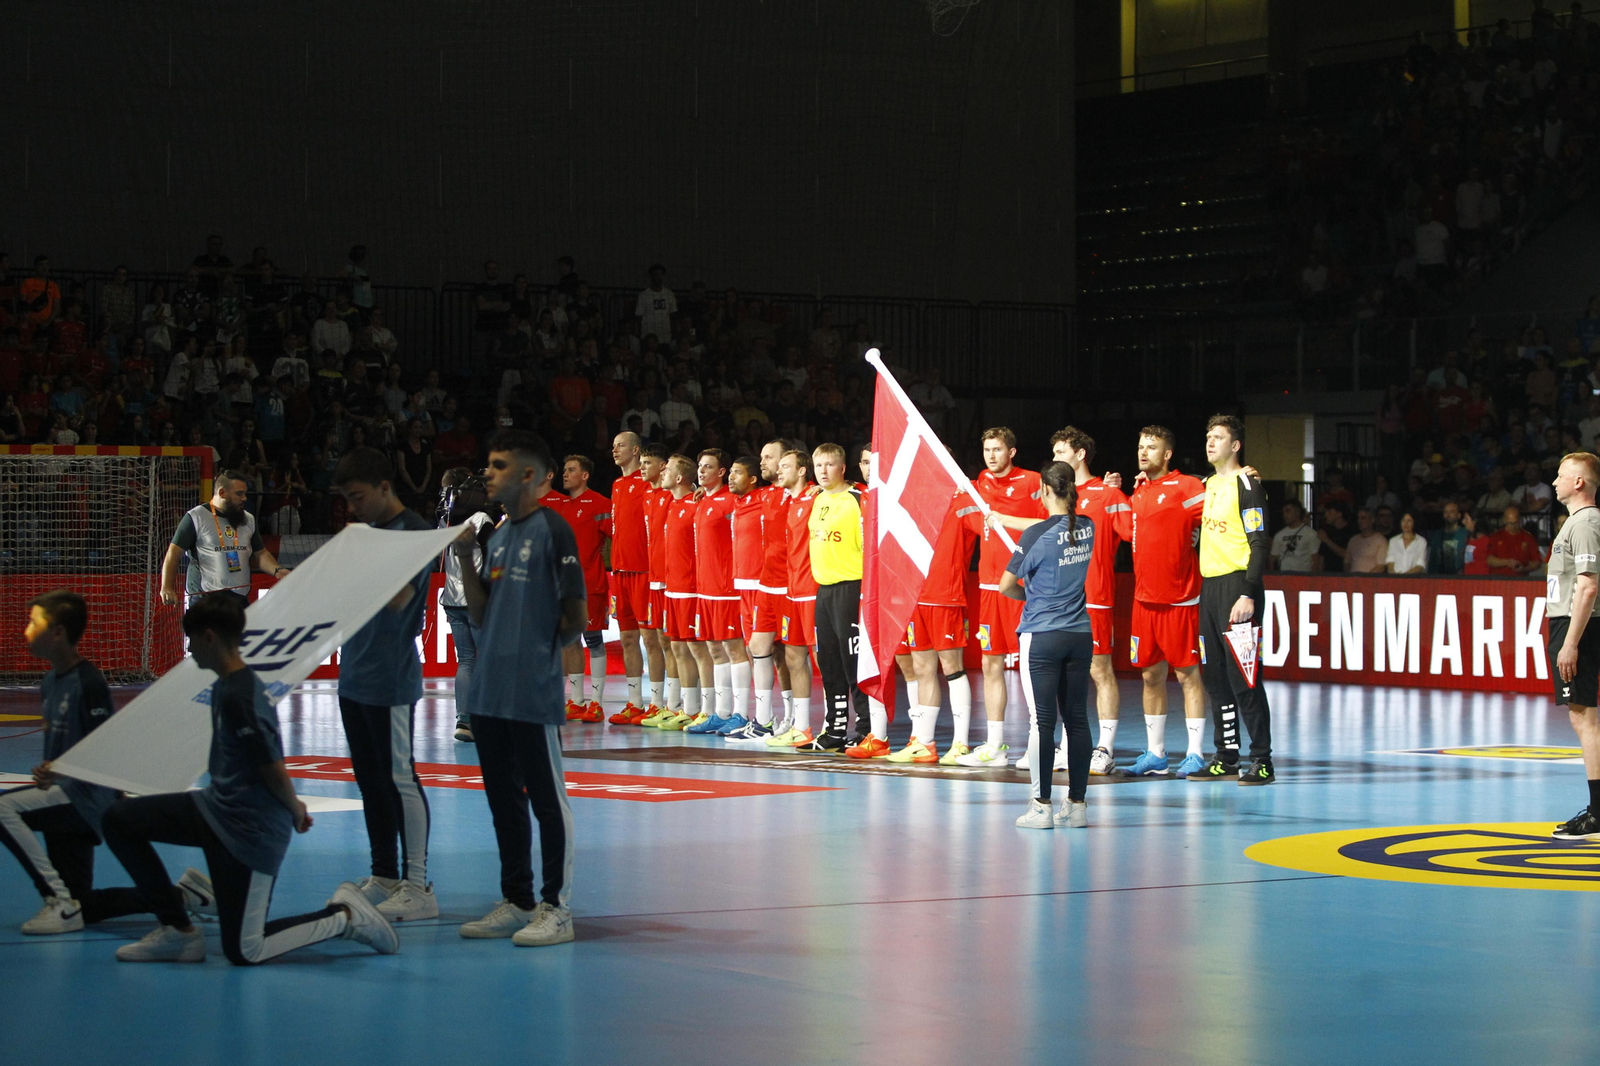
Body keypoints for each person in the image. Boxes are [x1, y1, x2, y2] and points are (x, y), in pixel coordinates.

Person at [100, 593, 398, 964]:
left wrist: (294, 808)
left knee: (244, 949)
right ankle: (178, 928)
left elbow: (270, 766)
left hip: (250, 830)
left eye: (191, 639)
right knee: (118, 820)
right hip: (215, 809)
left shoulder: (240, 694)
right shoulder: (225, 686)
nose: (189, 649)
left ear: (209, 637)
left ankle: (345, 917)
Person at [449, 431, 581, 946]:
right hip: (489, 692)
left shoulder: (553, 530)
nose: (488, 473)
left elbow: (575, 617)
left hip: (530, 691)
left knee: (548, 801)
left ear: (528, 475)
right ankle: (517, 898)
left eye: (498, 465)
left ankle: (557, 908)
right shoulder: (499, 535)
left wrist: (536, 660)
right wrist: (464, 557)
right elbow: (480, 613)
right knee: (504, 799)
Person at [0, 592, 151, 934]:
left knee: (2, 810)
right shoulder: (51, 683)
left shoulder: (89, 682)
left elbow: (105, 746)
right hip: (62, 800)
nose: (26, 630)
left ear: (58, 633)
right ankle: (183, 896)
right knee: (86, 904)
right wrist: (48, 768)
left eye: (34, 622)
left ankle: (57, 901)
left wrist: (109, 800)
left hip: (84, 798)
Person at [332, 448, 438, 922]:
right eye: (347, 500)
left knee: (399, 777)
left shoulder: (414, 531)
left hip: (390, 673)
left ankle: (418, 885)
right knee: (369, 779)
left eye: (358, 497)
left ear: (383, 487)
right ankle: (385, 874)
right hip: (354, 668)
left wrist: (358, 559)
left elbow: (399, 600)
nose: (353, 508)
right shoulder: (365, 533)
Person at [986, 427, 1129, 774]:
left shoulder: (1108, 495)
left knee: (1101, 670)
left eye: (1062, 452)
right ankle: (1063, 749)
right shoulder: (1059, 499)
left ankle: (1104, 748)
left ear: (1080, 455)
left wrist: (1128, 492)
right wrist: (1005, 518)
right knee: (1068, 684)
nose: (1055, 459)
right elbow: (1046, 524)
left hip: (1094, 599)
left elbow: (1133, 530)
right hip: (1066, 604)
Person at [1004, 462, 1095, 829]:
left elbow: (1006, 585)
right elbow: (1054, 528)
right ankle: (1077, 806)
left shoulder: (1034, 537)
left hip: (1042, 635)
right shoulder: (1087, 527)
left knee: (1041, 722)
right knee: (1076, 718)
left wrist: (1034, 598)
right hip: (1079, 635)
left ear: (1043, 489)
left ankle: (1041, 807)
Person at [1190, 416, 1274, 784]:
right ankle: (1226, 756)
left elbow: (1259, 543)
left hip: (1238, 588)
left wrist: (1248, 592)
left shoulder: (1248, 484)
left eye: (1218, 437)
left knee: (1245, 678)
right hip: (1209, 590)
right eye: (1208, 436)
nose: (1210, 442)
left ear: (1235, 445)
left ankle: (1263, 759)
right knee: (1215, 678)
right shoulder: (1206, 484)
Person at [1120, 426, 1208, 777]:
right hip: (1144, 602)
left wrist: (1241, 481)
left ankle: (1196, 753)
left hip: (1180, 601)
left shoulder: (1188, 486)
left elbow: (1217, 514)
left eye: (1152, 447)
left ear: (1167, 453)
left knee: (1188, 676)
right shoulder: (1139, 490)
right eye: (1141, 446)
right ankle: (1155, 753)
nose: (1143, 452)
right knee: (1150, 677)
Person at [957, 427, 1046, 768]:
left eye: (997, 449)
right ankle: (995, 745)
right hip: (989, 587)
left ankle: (1038, 743)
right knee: (989, 663)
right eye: (987, 450)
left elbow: (1049, 522)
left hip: (1023, 586)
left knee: (1032, 666)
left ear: (1012, 452)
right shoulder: (980, 484)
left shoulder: (1032, 482)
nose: (991, 455)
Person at [724, 439, 799, 744]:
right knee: (761, 650)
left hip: (785, 586)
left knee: (788, 654)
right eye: (764, 456)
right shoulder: (761, 496)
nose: (763, 461)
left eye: (770, 457)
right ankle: (765, 719)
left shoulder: (797, 496)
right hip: (760, 585)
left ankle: (792, 718)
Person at [803, 443, 870, 753]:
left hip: (851, 587)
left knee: (852, 662)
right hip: (824, 589)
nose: (824, 471)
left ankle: (867, 730)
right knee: (828, 662)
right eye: (819, 466)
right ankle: (834, 729)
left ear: (843, 468)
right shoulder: (817, 499)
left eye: (830, 465)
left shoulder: (858, 499)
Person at [683, 449, 754, 735]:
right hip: (705, 589)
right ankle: (721, 713)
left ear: (721, 472)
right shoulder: (702, 500)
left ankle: (741, 714)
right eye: (699, 466)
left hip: (726, 589)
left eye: (708, 466)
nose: (701, 471)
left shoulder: (731, 501)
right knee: (714, 649)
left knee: (734, 649)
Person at [545, 455, 613, 723]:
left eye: (571, 470)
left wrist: (610, 565)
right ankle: (576, 701)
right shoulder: (559, 506)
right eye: (564, 469)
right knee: (570, 641)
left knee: (593, 640)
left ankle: (596, 704)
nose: (565, 474)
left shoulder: (601, 504)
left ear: (585, 475)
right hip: (562, 586)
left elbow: (616, 537)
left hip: (590, 585)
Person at [160, 470, 289, 606]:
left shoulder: (248, 519)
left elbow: (261, 553)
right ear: (222, 493)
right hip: (204, 599)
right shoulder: (196, 517)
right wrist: (167, 587)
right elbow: (173, 554)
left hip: (239, 599)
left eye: (245, 493)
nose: (244, 498)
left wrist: (277, 570)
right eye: (239, 494)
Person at [604, 433, 662, 725]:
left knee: (651, 640)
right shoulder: (616, 485)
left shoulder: (649, 484)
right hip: (620, 573)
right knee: (628, 639)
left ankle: (659, 703)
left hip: (644, 572)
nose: (614, 449)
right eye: (613, 445)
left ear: (637, 450)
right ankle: (635, 703)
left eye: (621, 445)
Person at [766, 450, 822, 748]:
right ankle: (802, 727)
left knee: (822, 659)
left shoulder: (817, 497)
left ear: (802, 471)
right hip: (791, 590)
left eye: (785, 466)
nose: (778, 470)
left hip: (813, 590)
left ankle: (831, 725)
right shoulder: (791, 501)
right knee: (792, 656)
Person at [438, 468, 496, 743]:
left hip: (450, 598)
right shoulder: (482, 519)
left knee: (466, 660)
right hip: (476, 600)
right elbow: (494, 553)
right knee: (486, 659)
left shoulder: (444, 521)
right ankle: (488, 718)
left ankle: (464, 719)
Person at [654, 455, 705, 729]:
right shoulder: (672, 504)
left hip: (690, 588)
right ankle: (682, 707)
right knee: (675, 645)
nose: (662, 472)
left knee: (693, 648)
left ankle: (698, 709)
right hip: (672, 588)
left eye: (668, 469)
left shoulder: (696, 504)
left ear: (678, 478)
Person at [1487, 505, 1543, 575]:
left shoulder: (1528, 538)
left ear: (1519, 520)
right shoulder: (1496, 536)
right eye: (1510, 523)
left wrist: (1524, 569)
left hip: (1520, 580)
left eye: (1516, 523)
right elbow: (1490, 559)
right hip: (1499, 580)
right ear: (1504, 521)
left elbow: (1537, 562)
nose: (1513, 526)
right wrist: (1507, 562)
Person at [1271, 502, 1317, 571]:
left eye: (1288, 511)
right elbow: (1273, 558)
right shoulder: (1279, 535)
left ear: (1297, 512)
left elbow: (1315, 558)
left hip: (1304, 576)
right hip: (1284, 576)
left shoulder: (1310, 533)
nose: (1285, 515)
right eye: (1283, 512)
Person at [1428, 501, 1471, 575]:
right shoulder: (1438, 535)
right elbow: (1433, 559)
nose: (1448, 514)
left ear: (1458, 515)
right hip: (1440, 578)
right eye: (1446, 512)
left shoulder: (1465, 534)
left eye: (1452, 512)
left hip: (1461, 578)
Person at [1345, 508, 1390, 574]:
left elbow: (1381, 566)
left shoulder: (1381, 540)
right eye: (1358, 518)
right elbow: (1347, 562)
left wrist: (1365, 579)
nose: (1359, 521)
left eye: (1363, 518)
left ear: (1372, 520)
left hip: (1370, 581)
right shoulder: (1353, 540)